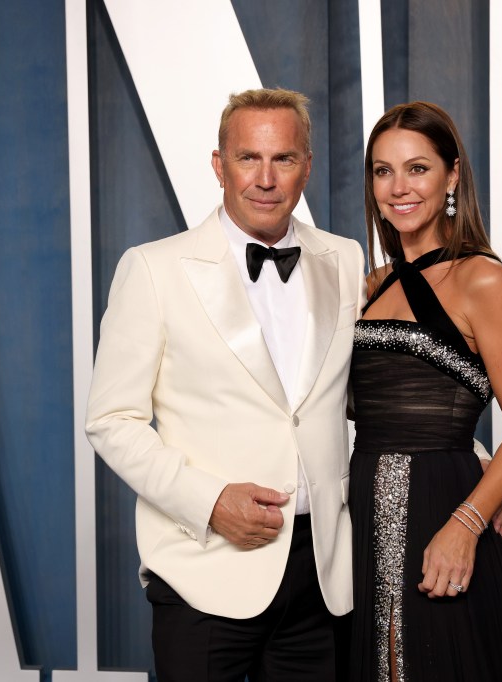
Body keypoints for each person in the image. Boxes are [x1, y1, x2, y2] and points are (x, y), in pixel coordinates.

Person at [86, 88, 365, 680]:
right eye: (247, 159)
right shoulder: (153, 269)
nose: (265, 179)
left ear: (307, 167)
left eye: (284, 159)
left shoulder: (345, 260)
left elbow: (378, 389)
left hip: (322, 575)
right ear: (219, 165)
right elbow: (112, 421)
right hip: (202, 570)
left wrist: (466, 462)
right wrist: (210, 502)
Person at [349, 101, 502, 681]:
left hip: (443, 509)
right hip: (360, 509)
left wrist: (467, 522)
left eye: (417, 168)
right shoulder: (371, 284)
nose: (398, 187)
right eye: (383, 171)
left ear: (452, 174)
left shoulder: (482, 278)